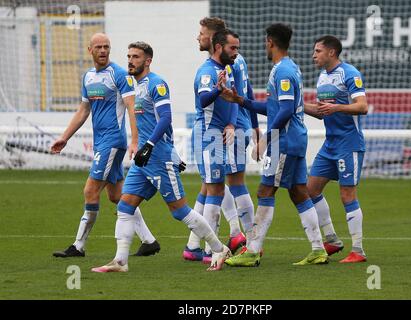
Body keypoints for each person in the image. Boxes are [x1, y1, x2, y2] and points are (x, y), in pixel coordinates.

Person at [91, 41, 231, 272]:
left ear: (147, 61)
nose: (130, 61)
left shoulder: (157, 84)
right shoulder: (133, 85)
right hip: (144, 160)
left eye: (136, 57)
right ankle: (120, 261)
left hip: (157, 156)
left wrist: (152, 146)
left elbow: (165, 118)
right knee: (125, 207)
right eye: (128, 56)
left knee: (180, 211)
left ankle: (218, 249)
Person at [221, 23, 328, 267]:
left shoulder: (284, 72)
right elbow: (273, 108)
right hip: (293, 140)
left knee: (265, 191)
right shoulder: (287, 68)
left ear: (270, 41)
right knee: (298, 191)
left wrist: (265, 140)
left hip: (285, 142)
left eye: (265, 41)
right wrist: (240, 100)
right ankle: (318, 249)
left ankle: (253, 251)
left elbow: (286, 111)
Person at [51, 33, 160, 258]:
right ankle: (149, 241)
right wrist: (65, 137)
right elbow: (83, 110)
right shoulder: (88, 77)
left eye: (107, 47)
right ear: (90, 50)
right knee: (117, 195)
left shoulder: (119, 74)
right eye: (99, 47)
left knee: (90, 191)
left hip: (112, 142)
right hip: (102, 142)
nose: (103, 50)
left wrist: (135, 140)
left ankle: (78, 246)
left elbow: (132, 107)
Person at [183, 18, 259, 262]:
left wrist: (237, 125)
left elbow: (238, 96)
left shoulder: (230, 62)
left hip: (230, 129)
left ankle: (240, 236)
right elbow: (245, 94)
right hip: (231, 125)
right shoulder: (218, 66)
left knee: (229, 183)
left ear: (215, 39)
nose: (198, 37)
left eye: (202, 33)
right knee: (210, 184)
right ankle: (195, 245)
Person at [304, 35, 368, 263]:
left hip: (348, 144)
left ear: (331, 52)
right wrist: (298, 105)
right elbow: (323, 111)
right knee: (310, 190)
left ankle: (358, 251)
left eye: (318, 51)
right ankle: (332, 240)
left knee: (347, 194)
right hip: (330, 144)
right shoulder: (322, 77)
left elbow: (363, 107)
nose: (314, 55)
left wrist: (337, 107)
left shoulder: (350, 74)